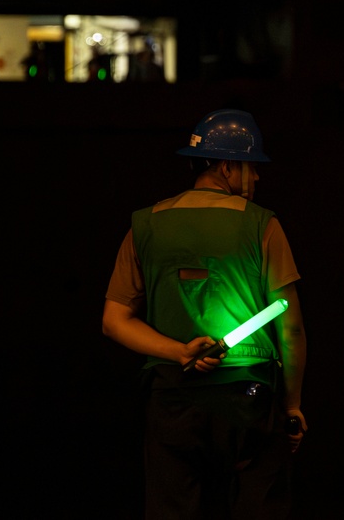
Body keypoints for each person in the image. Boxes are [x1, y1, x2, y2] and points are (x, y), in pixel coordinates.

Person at [102, 109, 307, 520]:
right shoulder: (262, 224)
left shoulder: (145, 224)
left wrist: (178, 351)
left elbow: (113, 320)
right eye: (252, 167)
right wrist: (292, 406)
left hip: (172, 398)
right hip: (249, 399)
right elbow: (292, 328)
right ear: (228, 166)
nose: (258, 178)